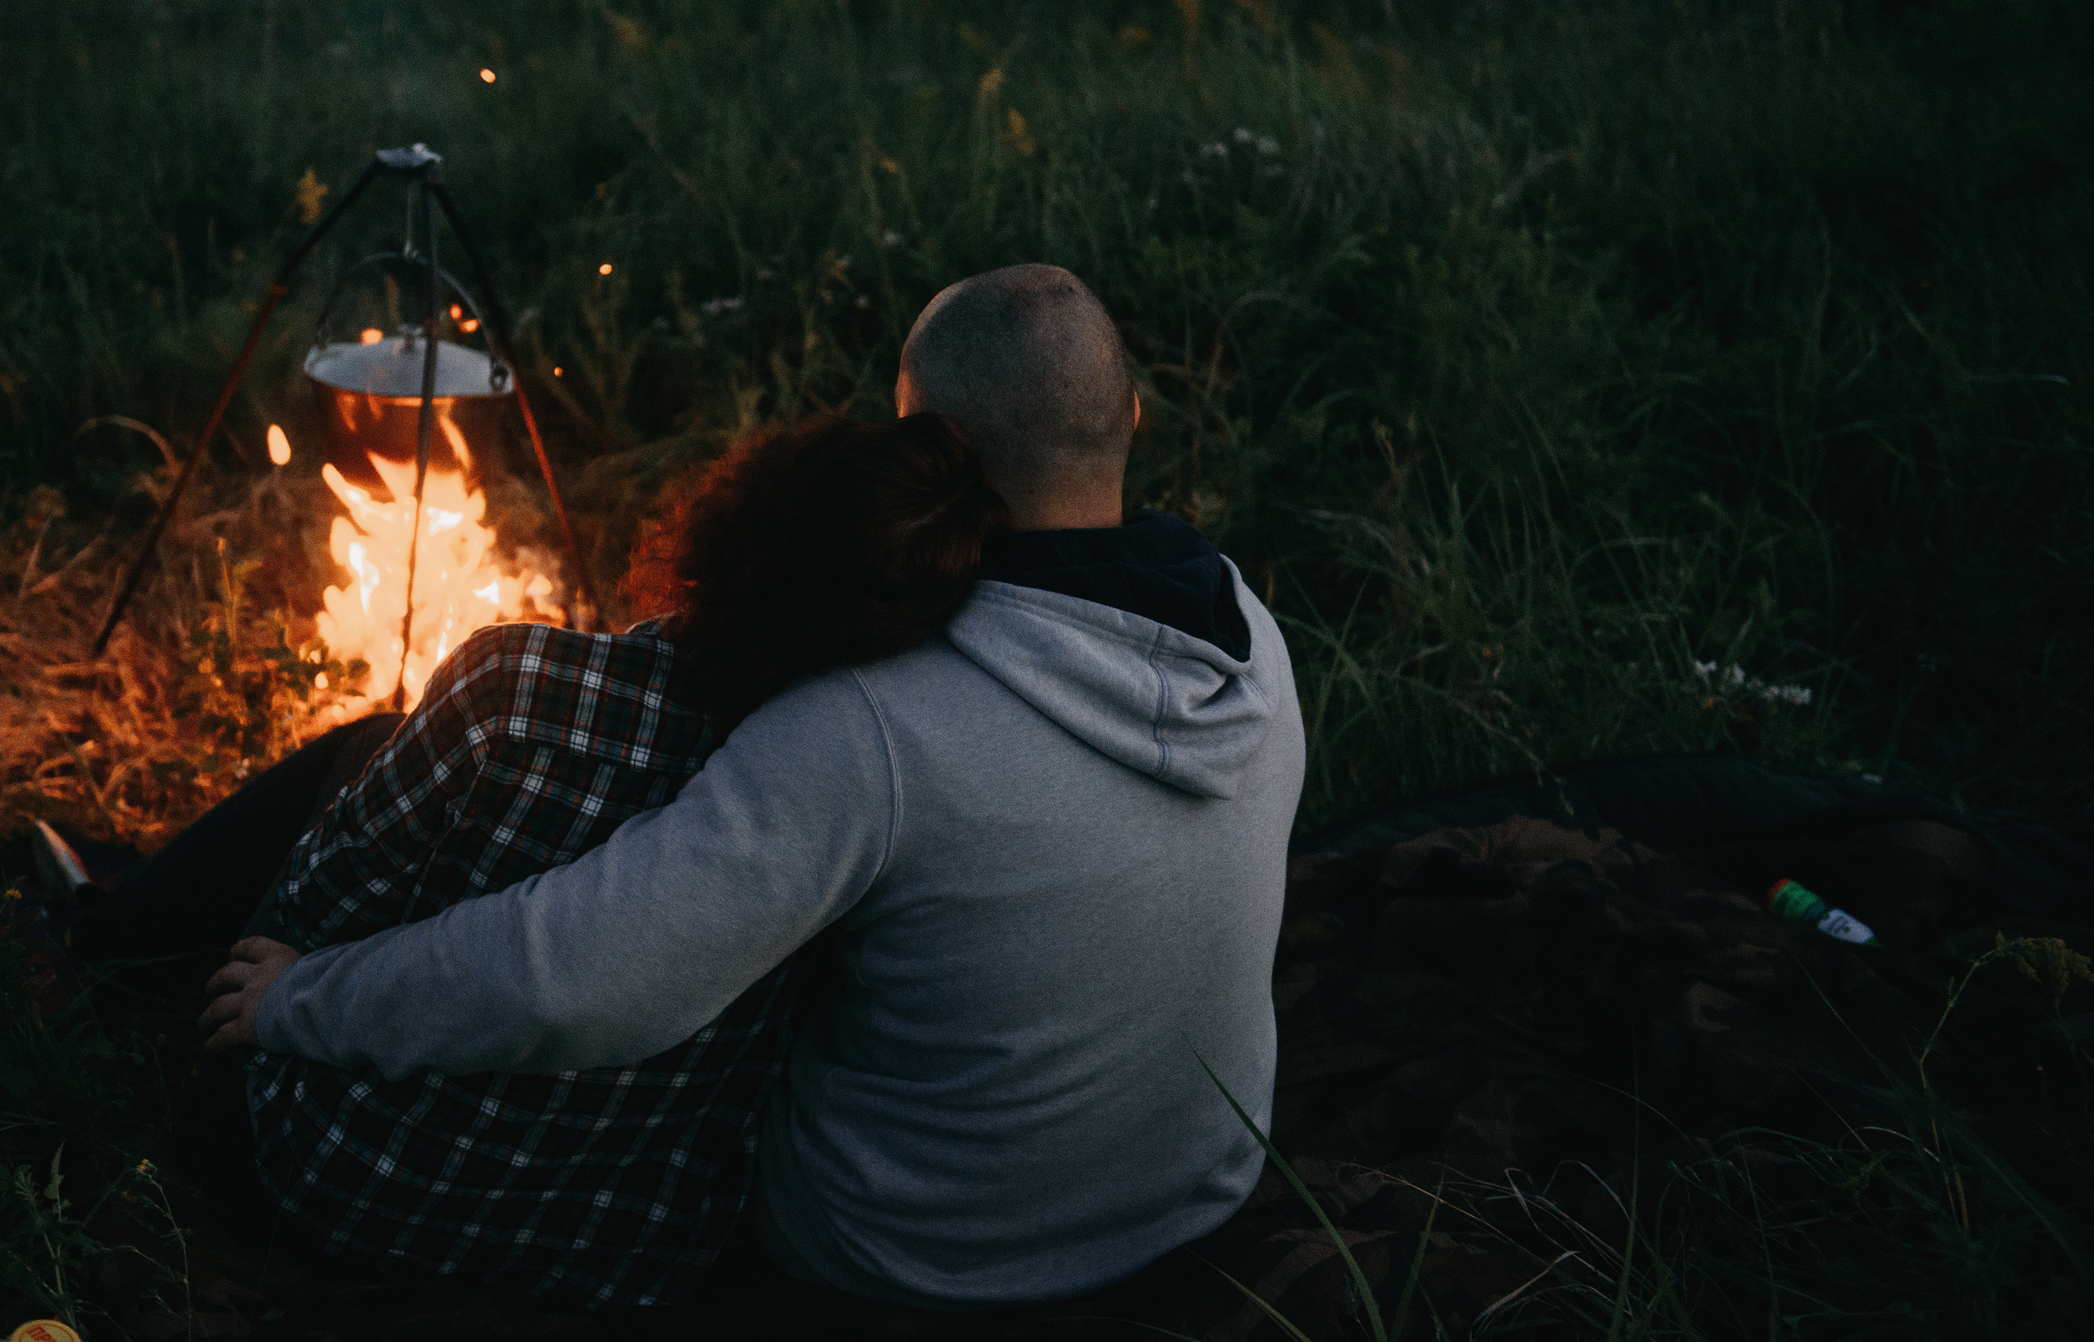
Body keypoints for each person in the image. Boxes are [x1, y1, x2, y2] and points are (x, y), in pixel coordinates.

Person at [201, 264, 1308, 1308]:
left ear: (937, 448)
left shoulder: (874, 723)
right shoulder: (1246, 635)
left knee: (446, 783)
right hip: (1195, 1188)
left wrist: (306, 997)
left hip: (918, 1248)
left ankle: (160, 952)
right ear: (1132, 419)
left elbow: (580, 978)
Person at [91, 410, 1006, 1306]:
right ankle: (111, 911)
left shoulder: (514, 685)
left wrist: (297, 987)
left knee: (359, 763)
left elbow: (316, 904)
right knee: (374, 754)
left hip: (346, 1176)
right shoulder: (872, 801)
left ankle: (97, 942)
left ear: (744, 519)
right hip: (618, 1249)